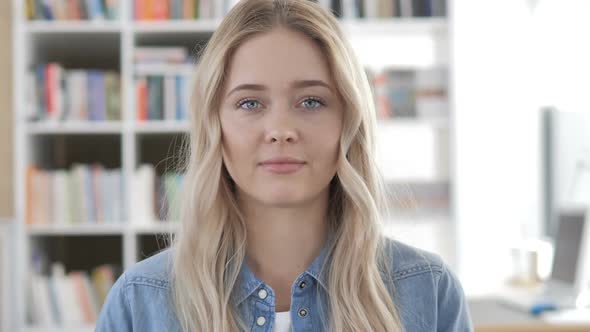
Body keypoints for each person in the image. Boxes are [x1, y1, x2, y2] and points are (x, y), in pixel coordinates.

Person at [96, 0, 473, 331]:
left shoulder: (429, 290)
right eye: (249, 103)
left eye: (311, 101)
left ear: (349, 121)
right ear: (215, 126)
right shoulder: (139, 302)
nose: (280, 131)